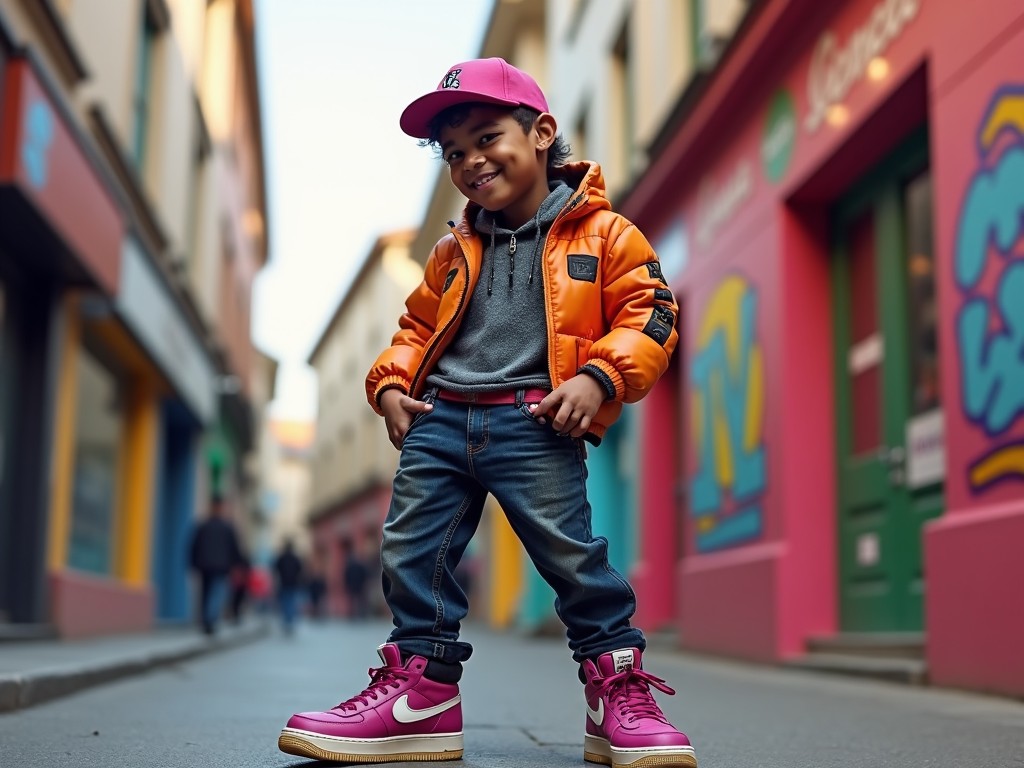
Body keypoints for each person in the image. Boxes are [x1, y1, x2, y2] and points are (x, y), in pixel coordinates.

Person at [278, 57, 694, 768]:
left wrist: (600, 377)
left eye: (486, 137)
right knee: (411, 554)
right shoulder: (449, 252)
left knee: (572, 561)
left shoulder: (607, 234)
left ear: (541, 132)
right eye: (453, 153)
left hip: (537, 421)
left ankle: (617, 691)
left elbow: (650, 312)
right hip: (439, 422)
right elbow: (413, 331)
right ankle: (422, 695)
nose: (470, 161)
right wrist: (388, 386)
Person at [188, 494, 242, 636]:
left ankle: (207, 620)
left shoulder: (203, 526)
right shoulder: (226, 527)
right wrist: (236, 565)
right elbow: (235, 550)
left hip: (206, 566)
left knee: (206, 593)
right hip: (220, 567)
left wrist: (192, 563)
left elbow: (193, 546)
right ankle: (210, 620)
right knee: (215, 593)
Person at [273, 538, 304, 635]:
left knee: (285, 602)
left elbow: (275, 569)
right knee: (291, 602)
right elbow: (300, 570)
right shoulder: (295, 558)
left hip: (283, 584)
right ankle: (290, 620)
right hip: (293, 584)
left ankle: (287, 620)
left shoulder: (281, 558)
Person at [340, 539, 370, 620]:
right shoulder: (359, 565)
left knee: (354, 600)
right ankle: (360, 614)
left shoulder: (350, 566)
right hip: (358, 585)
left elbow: (346, 576)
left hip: (354, 585)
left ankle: (355, 614)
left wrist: (347, 584)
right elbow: (364, 574)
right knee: (359, 599)